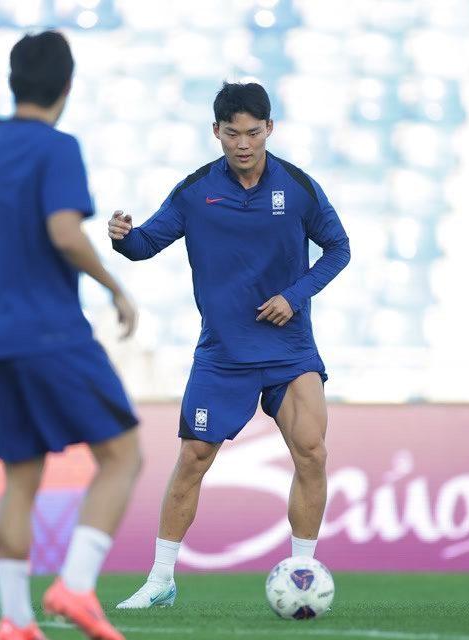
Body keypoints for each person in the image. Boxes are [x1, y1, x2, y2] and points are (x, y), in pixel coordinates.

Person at [0, 31, 140, 640]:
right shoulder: (57, 148)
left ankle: (15, 621)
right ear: (67, 88)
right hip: (51, 332)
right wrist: (114, 288)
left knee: (21, 479)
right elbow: (65, 232)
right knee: (122, 455)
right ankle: (74, 584)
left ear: (13, 81)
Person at [108, 81, 350, 609]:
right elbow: (147, 244)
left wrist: (295, 294)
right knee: (193, 458)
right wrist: (124, 237)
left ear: (270, 130)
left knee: (312, 453)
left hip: (289, 351)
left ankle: (303, 572)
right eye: (233, 134)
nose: (244, 144)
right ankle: (160, 580)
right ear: (216, 132)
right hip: (224, 354)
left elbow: (338, 248)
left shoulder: (298, 186)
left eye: (254, 133)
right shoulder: (196, 191)